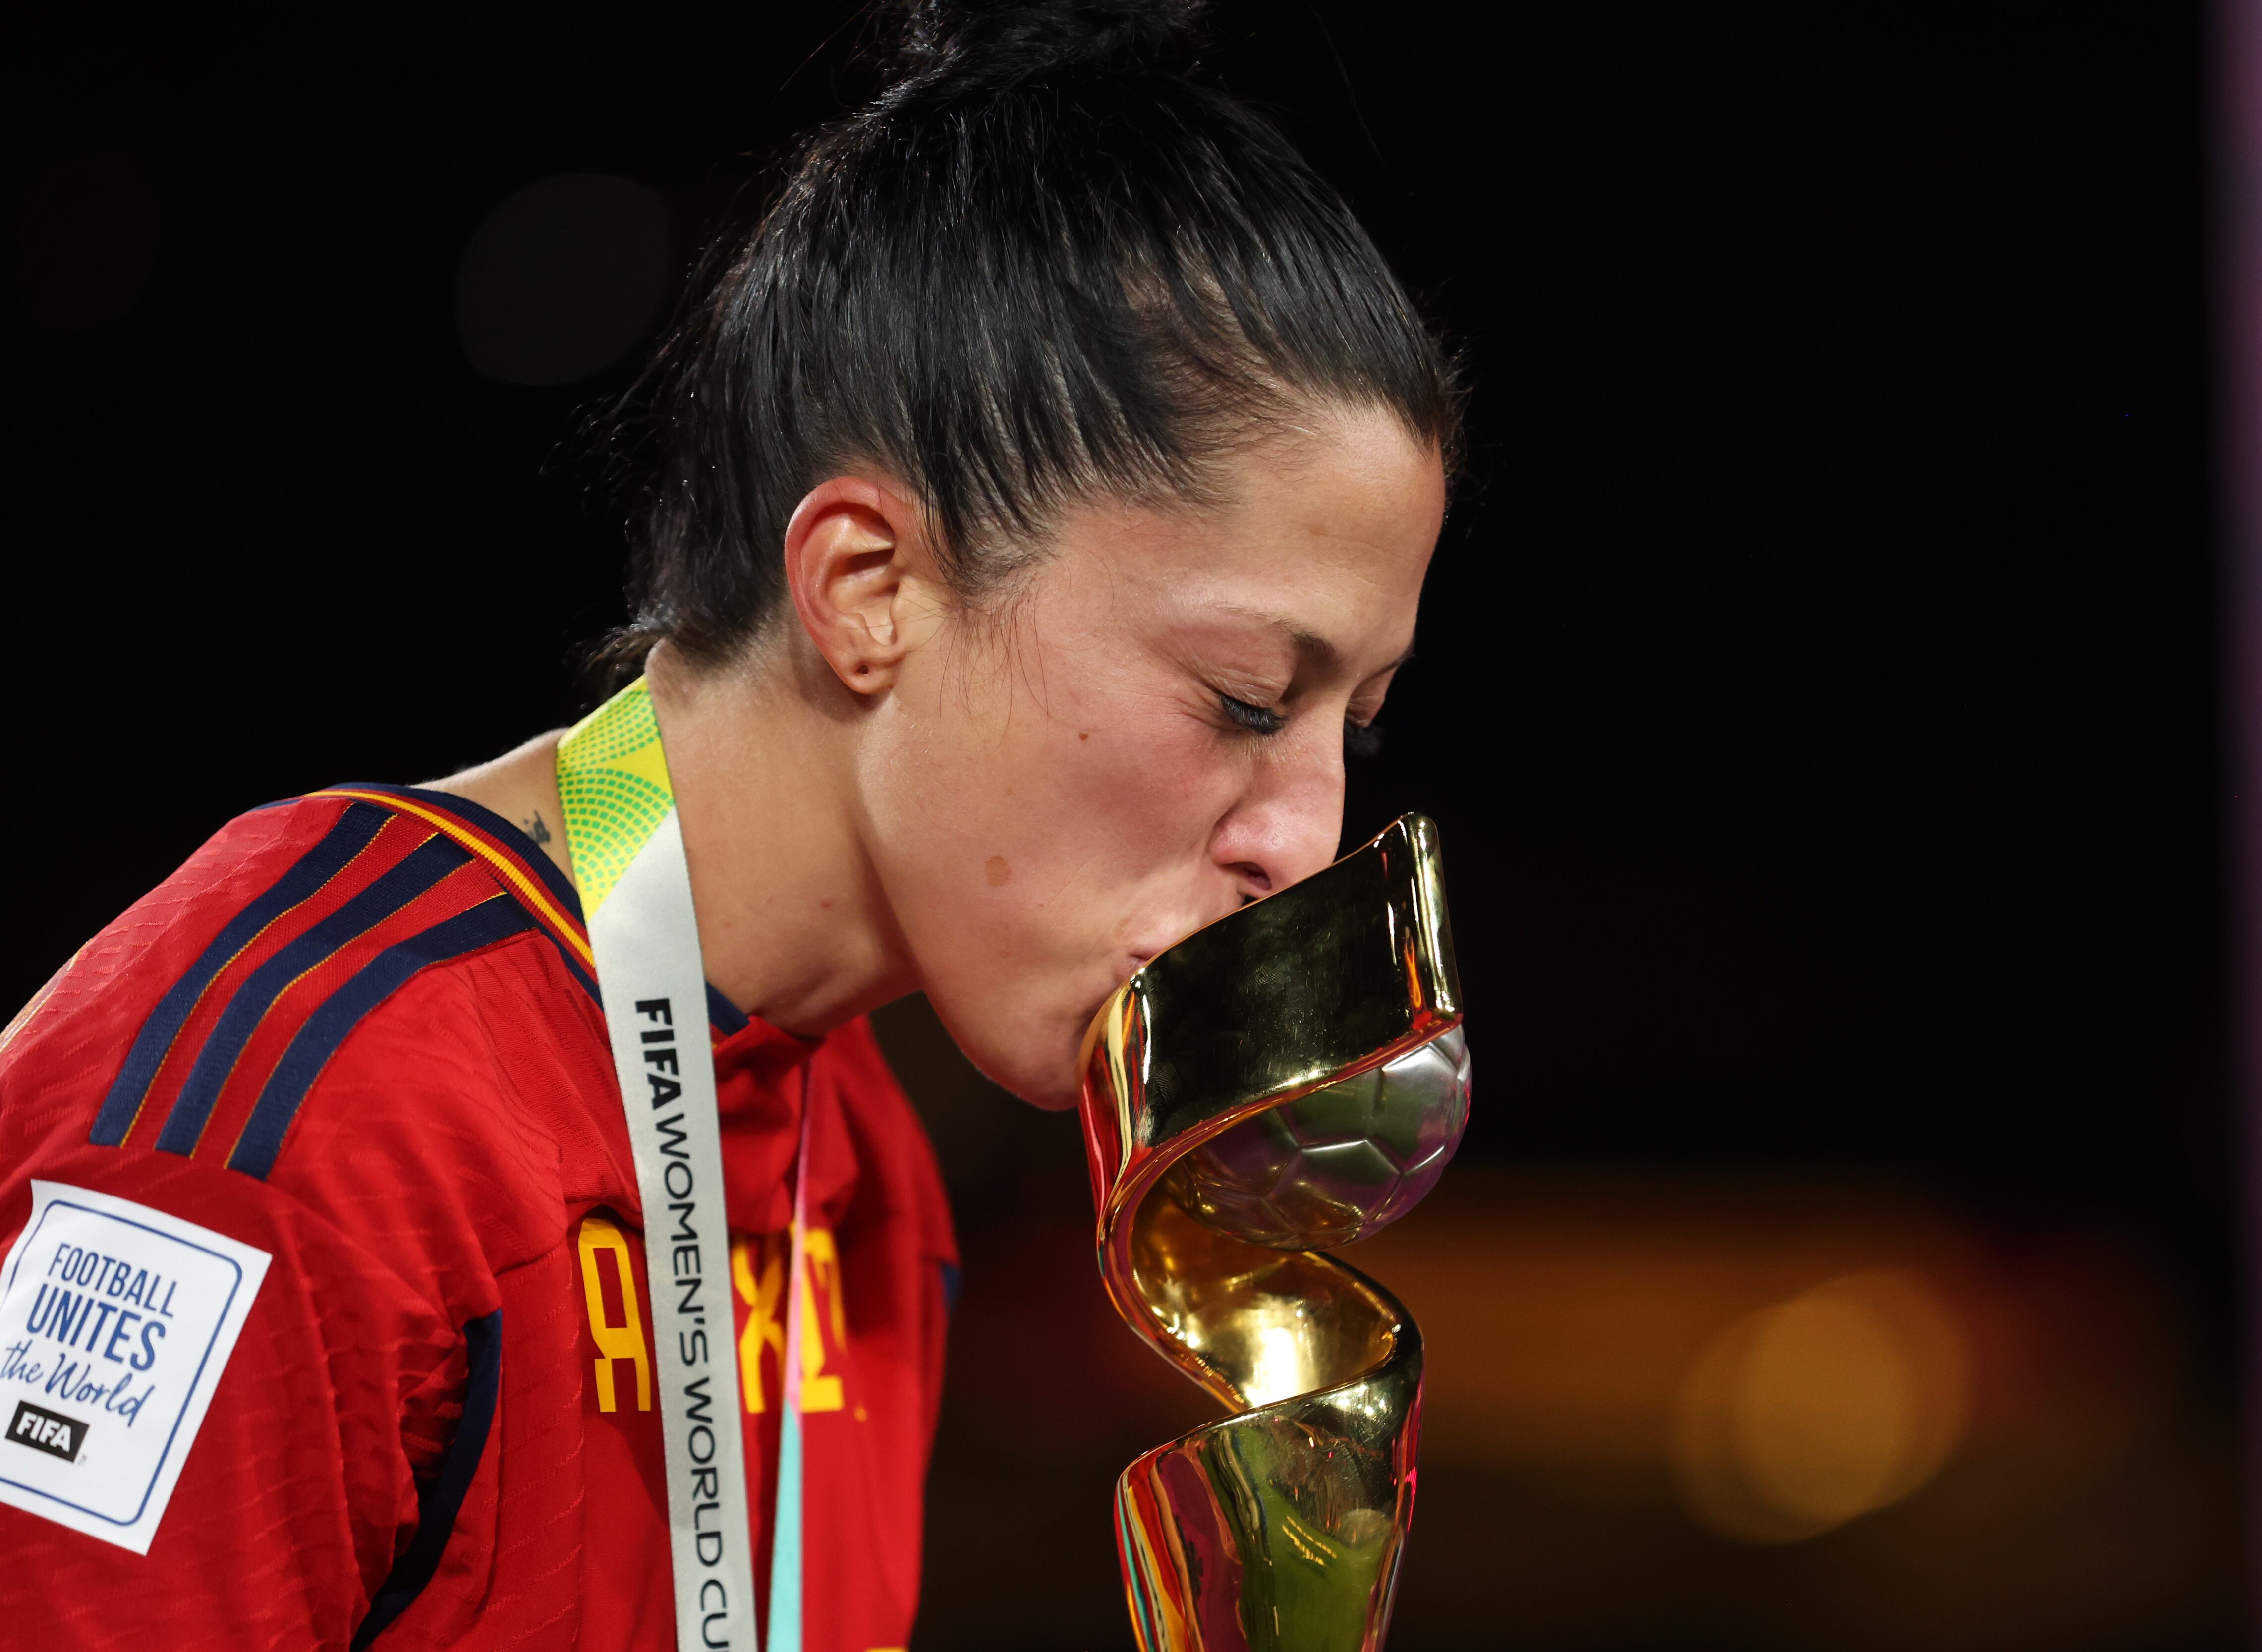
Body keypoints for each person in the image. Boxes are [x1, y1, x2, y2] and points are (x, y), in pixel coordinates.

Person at [0, 0, 1458, 1646]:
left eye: (1356, 723)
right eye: (1248, 699)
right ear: (870, 587)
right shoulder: (293, 1115)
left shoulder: (862, 1165)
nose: (1304, 843)